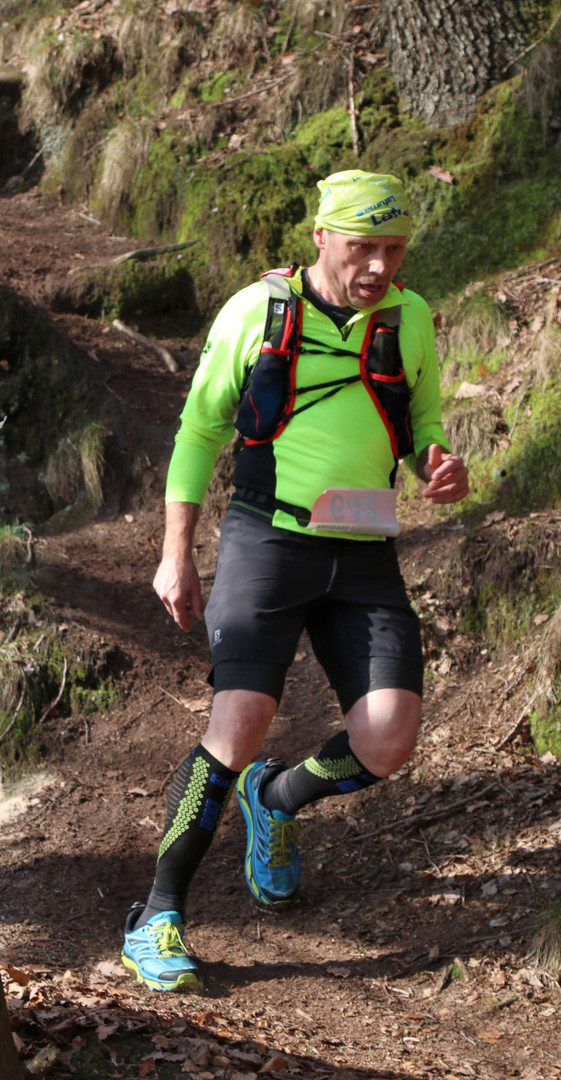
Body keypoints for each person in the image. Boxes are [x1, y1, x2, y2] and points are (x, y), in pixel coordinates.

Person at [121, 170, 469, 992]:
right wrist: (177, 551)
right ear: (321, 238)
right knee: (239, 721)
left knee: (388, 739)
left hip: (365, 551)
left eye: (394, 249)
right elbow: (199, 431)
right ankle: (156, 916)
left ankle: (276, 800)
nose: (379, 266)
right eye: (363, 247)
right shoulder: (257, 311)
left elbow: (421, 418)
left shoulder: (409, 318)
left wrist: (436, 462)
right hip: (268, 539)